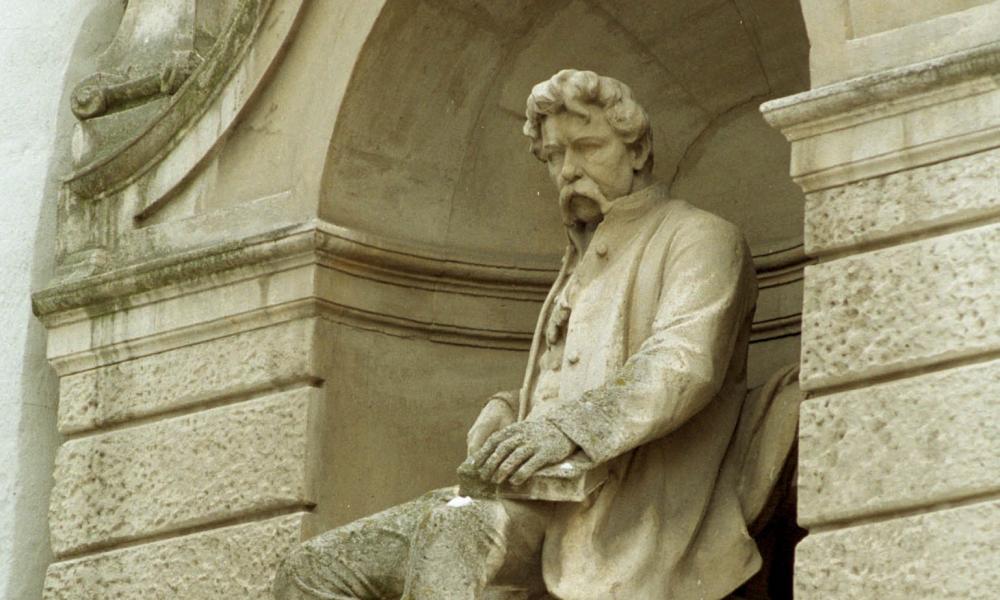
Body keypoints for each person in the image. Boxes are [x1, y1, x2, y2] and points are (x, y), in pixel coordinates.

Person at [273, 69, 762, 600]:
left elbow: (683, 363)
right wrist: (510, 410)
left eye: (588, 147)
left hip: (616, 509)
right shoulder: (577, 260)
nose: (569, 170)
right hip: (526, 498)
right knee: (312, 569)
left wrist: (564, 428)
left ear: (638, 150)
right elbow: (570, 375)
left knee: (455, 532)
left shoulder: (699, 237)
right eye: (554, 156)